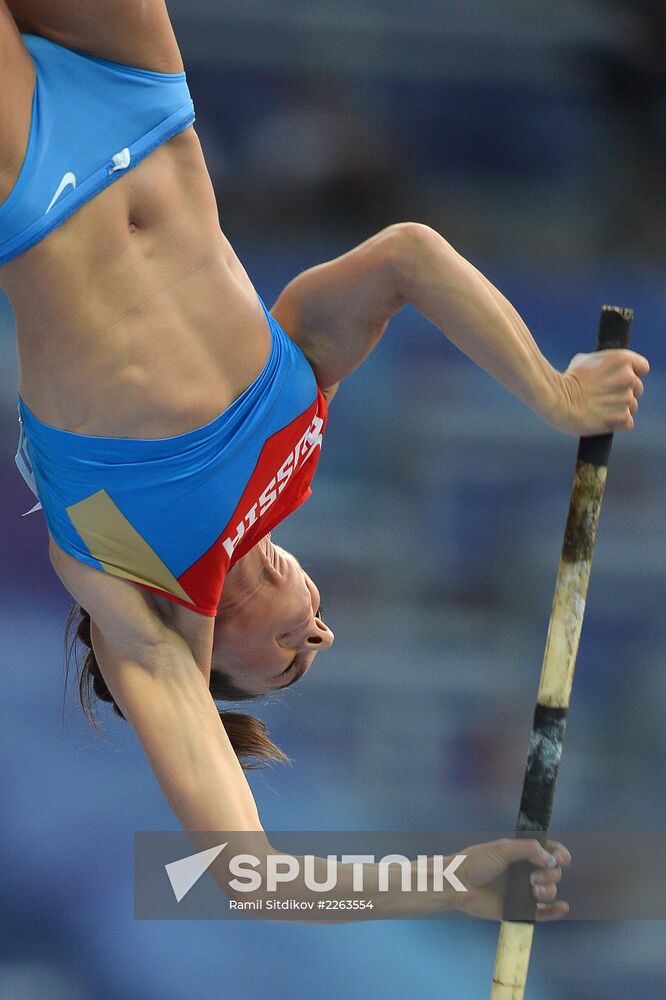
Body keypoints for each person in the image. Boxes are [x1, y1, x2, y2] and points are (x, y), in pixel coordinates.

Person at [1, 1, 648, 920]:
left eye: (288, 667)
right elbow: (408, 257)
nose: (321, 634)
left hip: (29, 189)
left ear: (215, 663)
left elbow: (252, 878)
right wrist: (553, 394)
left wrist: (455, 882)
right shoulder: (301, 437)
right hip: (140, 96)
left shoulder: (144, 610)